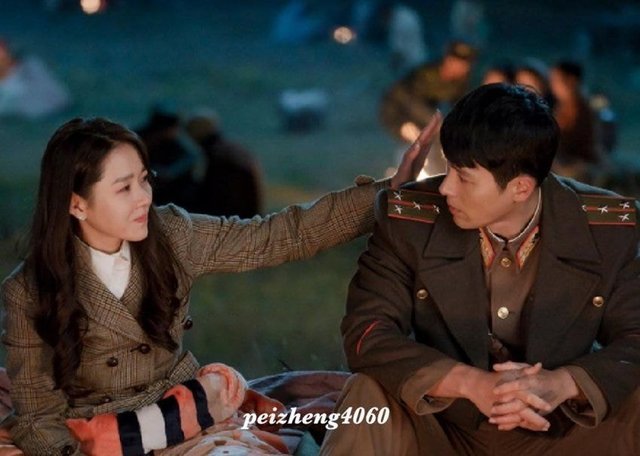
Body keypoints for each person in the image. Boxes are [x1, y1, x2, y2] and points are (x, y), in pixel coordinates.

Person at [0, 114, 439, 455]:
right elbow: (37, 415)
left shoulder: (171, 236)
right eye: (123, 188)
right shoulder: (31, 290)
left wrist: (387, 192)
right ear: (77, 204)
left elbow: (279, 236)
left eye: (145, 180)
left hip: (187, 415)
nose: (143, 198)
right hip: (99, 436)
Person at [320, 84, 640, 455]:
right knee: (366, 394)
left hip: (563, 432)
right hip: (439, 429)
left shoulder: (605, 228)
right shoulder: (409, 220)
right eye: (448, 168)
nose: (445, 188)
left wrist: (562, 384)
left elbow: (635, 337)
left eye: (464, 176)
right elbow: (367, 333)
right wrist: (472, 384)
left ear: (521, 188)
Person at [380, 41, 476, 176]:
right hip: (401, 115)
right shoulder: (425, 76)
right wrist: (402, 126)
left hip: (424, 123)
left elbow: (463, 105)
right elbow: (402, 103)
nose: (463, 69)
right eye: (458, 63)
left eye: (466, 65)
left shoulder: (459, 82)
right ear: (448, 60)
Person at [185, 110, 263, 218]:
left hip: (232, 216)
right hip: (246, 215)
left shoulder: (216, 154)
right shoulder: (233, 149)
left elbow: (214, 193)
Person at [549, 61, 599, 182]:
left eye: (556, 80)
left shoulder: (579, 108)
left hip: (575, 165)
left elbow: (570, 140)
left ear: (571, 80)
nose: (552, 85)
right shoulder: (563, 106)